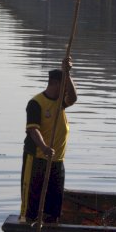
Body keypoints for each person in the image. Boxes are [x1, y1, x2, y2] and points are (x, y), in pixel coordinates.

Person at [20, 57, 77, 223]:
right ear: (57, 84)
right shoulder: (36, 103)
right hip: (38, 159)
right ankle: (27, 229)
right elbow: (33, 130)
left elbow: (73, 98)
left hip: (57, 161)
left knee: (54, 206)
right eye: (65, 85)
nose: (67, 90)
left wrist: (67, 73)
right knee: (32, 206)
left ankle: (51, 231)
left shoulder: (61, 103)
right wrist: (44, 147)